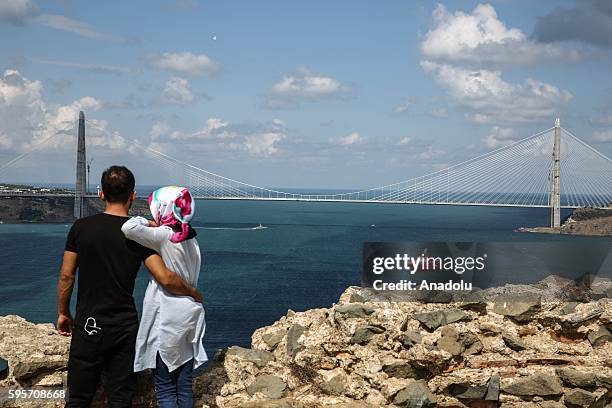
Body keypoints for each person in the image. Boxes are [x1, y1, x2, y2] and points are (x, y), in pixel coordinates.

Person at [57, 166, 202, 408]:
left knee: (78, 399)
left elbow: (66, 276)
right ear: (132, 195)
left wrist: (63, 313)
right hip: (124, 328)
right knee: (121, 399)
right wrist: (193, 292)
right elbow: (165, 277)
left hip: (88, 325)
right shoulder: (140, 236)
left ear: (101, 193)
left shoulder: (81, 227)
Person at [121, 186, 207, 408]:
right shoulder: (191, 239)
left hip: (168, 313)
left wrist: (149, 223)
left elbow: (128, 227)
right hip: (189, 313)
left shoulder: (164, 235)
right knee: (184, 383)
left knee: (166, 385)